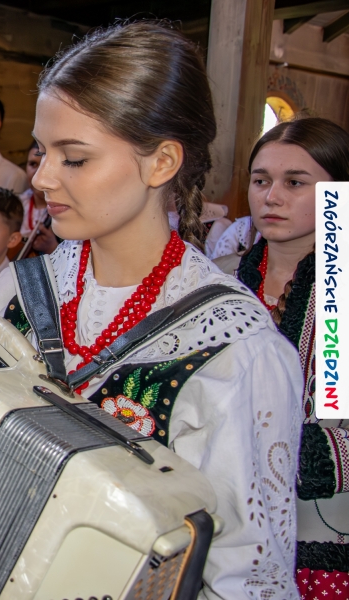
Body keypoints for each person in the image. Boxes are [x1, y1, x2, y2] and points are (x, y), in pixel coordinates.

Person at [0, 22, 302, 598]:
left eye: (74, 158)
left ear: (161, 162)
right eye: (42, 152)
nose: (41, 177)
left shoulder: (231, 352)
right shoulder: (18, 290)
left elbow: (241, 574)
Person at [216, 117, 349, 597]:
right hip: (221, 527)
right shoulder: (217, 280)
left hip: (322, 537)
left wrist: (290, 451)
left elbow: (336, 416)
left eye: (295, 182)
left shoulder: (341, 295)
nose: (271, 197)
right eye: (260, 181)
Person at [19, 140, 58, 256]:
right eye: (33, 164)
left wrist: (53, 248)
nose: (38, 173)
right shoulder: (16, 204)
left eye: (45, 165)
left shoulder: (70, 211)